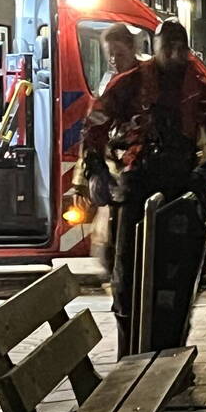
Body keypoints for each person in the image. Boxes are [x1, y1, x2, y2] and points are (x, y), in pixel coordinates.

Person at [82, 19, 206, 358]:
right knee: (128, 277)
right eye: (170, 47)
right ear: (156, 46)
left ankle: (171, 351)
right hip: (137, 186)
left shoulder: (197, 85)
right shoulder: (130, 84)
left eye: (182, 47)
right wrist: (96, 170)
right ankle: (129, 352)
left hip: (180, 189)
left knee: (179, 277)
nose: (176, 54)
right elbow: (95, 123)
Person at [71, 24, 146, 276]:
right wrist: (82, 181)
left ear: (132, 49)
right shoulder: (110, 84)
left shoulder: (145, 81)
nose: (114, 59)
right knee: (110, 251)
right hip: (114, 179)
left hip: (136, 178)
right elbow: (92, 132)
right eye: (109, 54)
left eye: (119, 53)